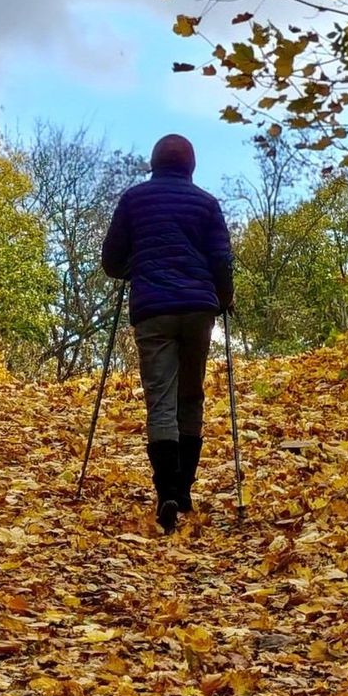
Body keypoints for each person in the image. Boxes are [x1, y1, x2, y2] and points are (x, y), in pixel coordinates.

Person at [100, 134, 233, 534]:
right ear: (190, 167)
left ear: (153, 163)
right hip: (198, 310)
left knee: (161, 400)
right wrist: (223, 299)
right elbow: (221, 260)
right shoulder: (207, 204)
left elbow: (111, 260)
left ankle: (165, 493)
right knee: (190, 395)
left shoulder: (134, 200)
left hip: (153, 311)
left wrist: (138, 269)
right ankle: (185, 490)